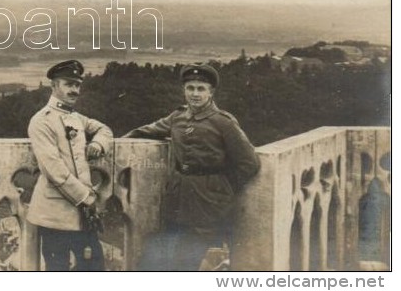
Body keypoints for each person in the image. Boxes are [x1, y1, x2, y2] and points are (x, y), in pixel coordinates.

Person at [125, 63, 260, 270]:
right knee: (158, 260)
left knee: (186, 262)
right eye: (190, 88)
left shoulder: (223, 122)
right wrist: (114, 143)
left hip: (208, 204)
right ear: (184, 90)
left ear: (211, 92)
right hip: (177, 200)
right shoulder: (177, 117)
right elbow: (145, 132)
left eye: (201, 89)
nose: (195, 94)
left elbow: (249, 163)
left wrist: (223, 187)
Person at [26, 60, 113, 271]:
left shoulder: (75, 117)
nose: (74, 90)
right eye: (68, 84)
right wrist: (86, 197)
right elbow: (53, 170)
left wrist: (98, 144)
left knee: (94, 267)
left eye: (77, 85)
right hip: (55, 214)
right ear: (54, 86)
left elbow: (105, 130)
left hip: (82, 215)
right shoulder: (41, 121)